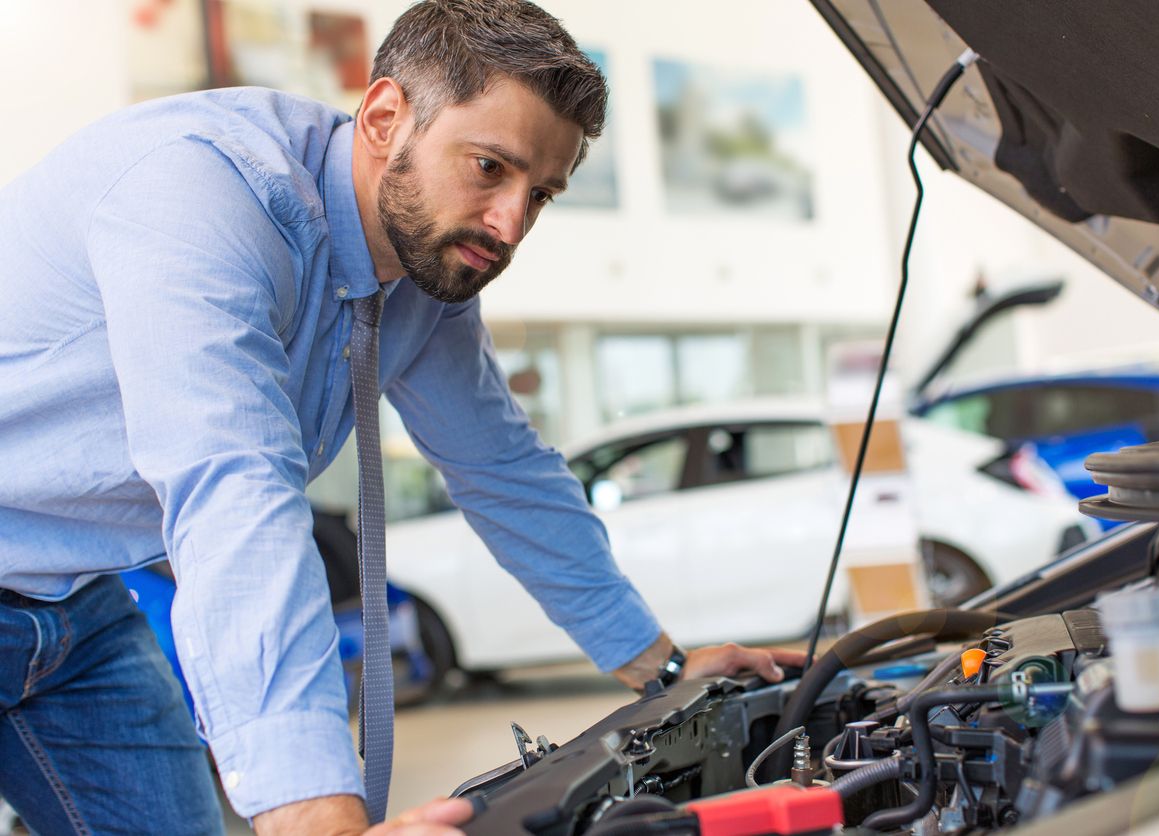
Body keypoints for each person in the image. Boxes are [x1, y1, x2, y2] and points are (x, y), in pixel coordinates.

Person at [0, 1, 805, 834]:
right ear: (386, 116)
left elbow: (504, 469)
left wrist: (664, 669)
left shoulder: (425, 278)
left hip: (76, 610)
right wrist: (318, 819)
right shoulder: (202, 194)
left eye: (542, 195)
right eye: (490, 166)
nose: (509, 225)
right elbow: (234, 489)